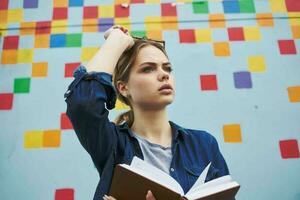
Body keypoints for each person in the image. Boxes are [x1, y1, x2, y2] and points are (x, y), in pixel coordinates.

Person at [64, 25, 230, 200]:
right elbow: (83, 104)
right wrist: (116, 41)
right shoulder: (112, 144)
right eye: (148, 69)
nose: (163, 75)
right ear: (123, 87)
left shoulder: (204, 144)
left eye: (167, 68)